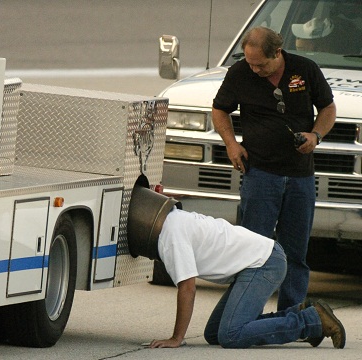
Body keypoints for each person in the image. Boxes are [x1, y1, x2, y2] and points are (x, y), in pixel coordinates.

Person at [211, 26, 336, 311]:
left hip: (299, 176)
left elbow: (328, 109)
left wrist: (315, 135)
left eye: (260, 64)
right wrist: (231, 143)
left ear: (277, 52)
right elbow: (219, 110)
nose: (254, 69)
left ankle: (291, 316)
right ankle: (243, 313)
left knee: (295, 252)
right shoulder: (240, 73)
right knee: (250, 249)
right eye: (250, 62)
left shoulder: (305, 69)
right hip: (260, 175)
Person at [145, 206, 346, 349]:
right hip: (256, 263)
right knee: (214, 333)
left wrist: (176, 338)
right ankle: (301, 312)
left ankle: (310, 321)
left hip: (265, 262)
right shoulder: (175, 218)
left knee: (231, 335)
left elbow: (187, 288)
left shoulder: (170, 236)